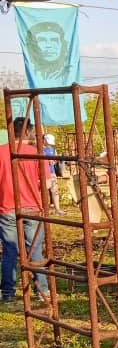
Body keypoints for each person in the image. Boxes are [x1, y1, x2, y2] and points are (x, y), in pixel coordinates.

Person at [0, 117, 52, 304]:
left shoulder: (1, 152)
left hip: (7, 206)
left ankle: (7, 293)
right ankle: (42, 291)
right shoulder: (36, 153)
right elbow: (46, 183)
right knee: (34, 249)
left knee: (9, 250)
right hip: (32, 207)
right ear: (28, 132)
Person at [41, 133, 64, 215]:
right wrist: (47, 161)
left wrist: (55, 161)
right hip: (43, 173)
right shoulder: (39, 149)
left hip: (52, 172)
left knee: (55, 191)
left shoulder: (52, 149)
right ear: (44, 140)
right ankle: (44, 209)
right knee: (44, 191)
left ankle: (57, 209)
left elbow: (55, 158)